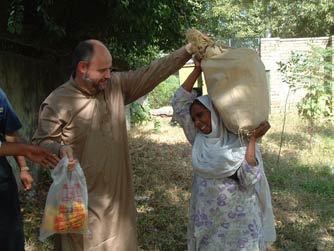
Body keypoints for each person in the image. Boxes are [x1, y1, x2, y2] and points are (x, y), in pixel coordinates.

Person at [32, 39, 196, 250]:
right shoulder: (58, 102)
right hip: (79, 201)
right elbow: (41, 143)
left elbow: (151, 73)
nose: (108, 75)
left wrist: (187, 51)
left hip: (119, 204)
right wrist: (59, 149)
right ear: (82, 68)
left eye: (110, 69)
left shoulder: (116, 86)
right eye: (103, 70)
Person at [171, 59, 276, 250]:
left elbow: (250, 178)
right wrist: (197, 69)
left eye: (201, 115)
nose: (196, 122)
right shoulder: (199, 139)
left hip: (240, 225)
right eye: (193, 118)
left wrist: (252, 140)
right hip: (207, 221)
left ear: (216, 112)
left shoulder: (239, 138)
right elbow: (179, 102)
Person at [0, 87, 59, 251]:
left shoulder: (0, 96)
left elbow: (9, 134)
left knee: (10, 235)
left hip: (2, 180)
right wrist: (25, 150)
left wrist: (24, 167)